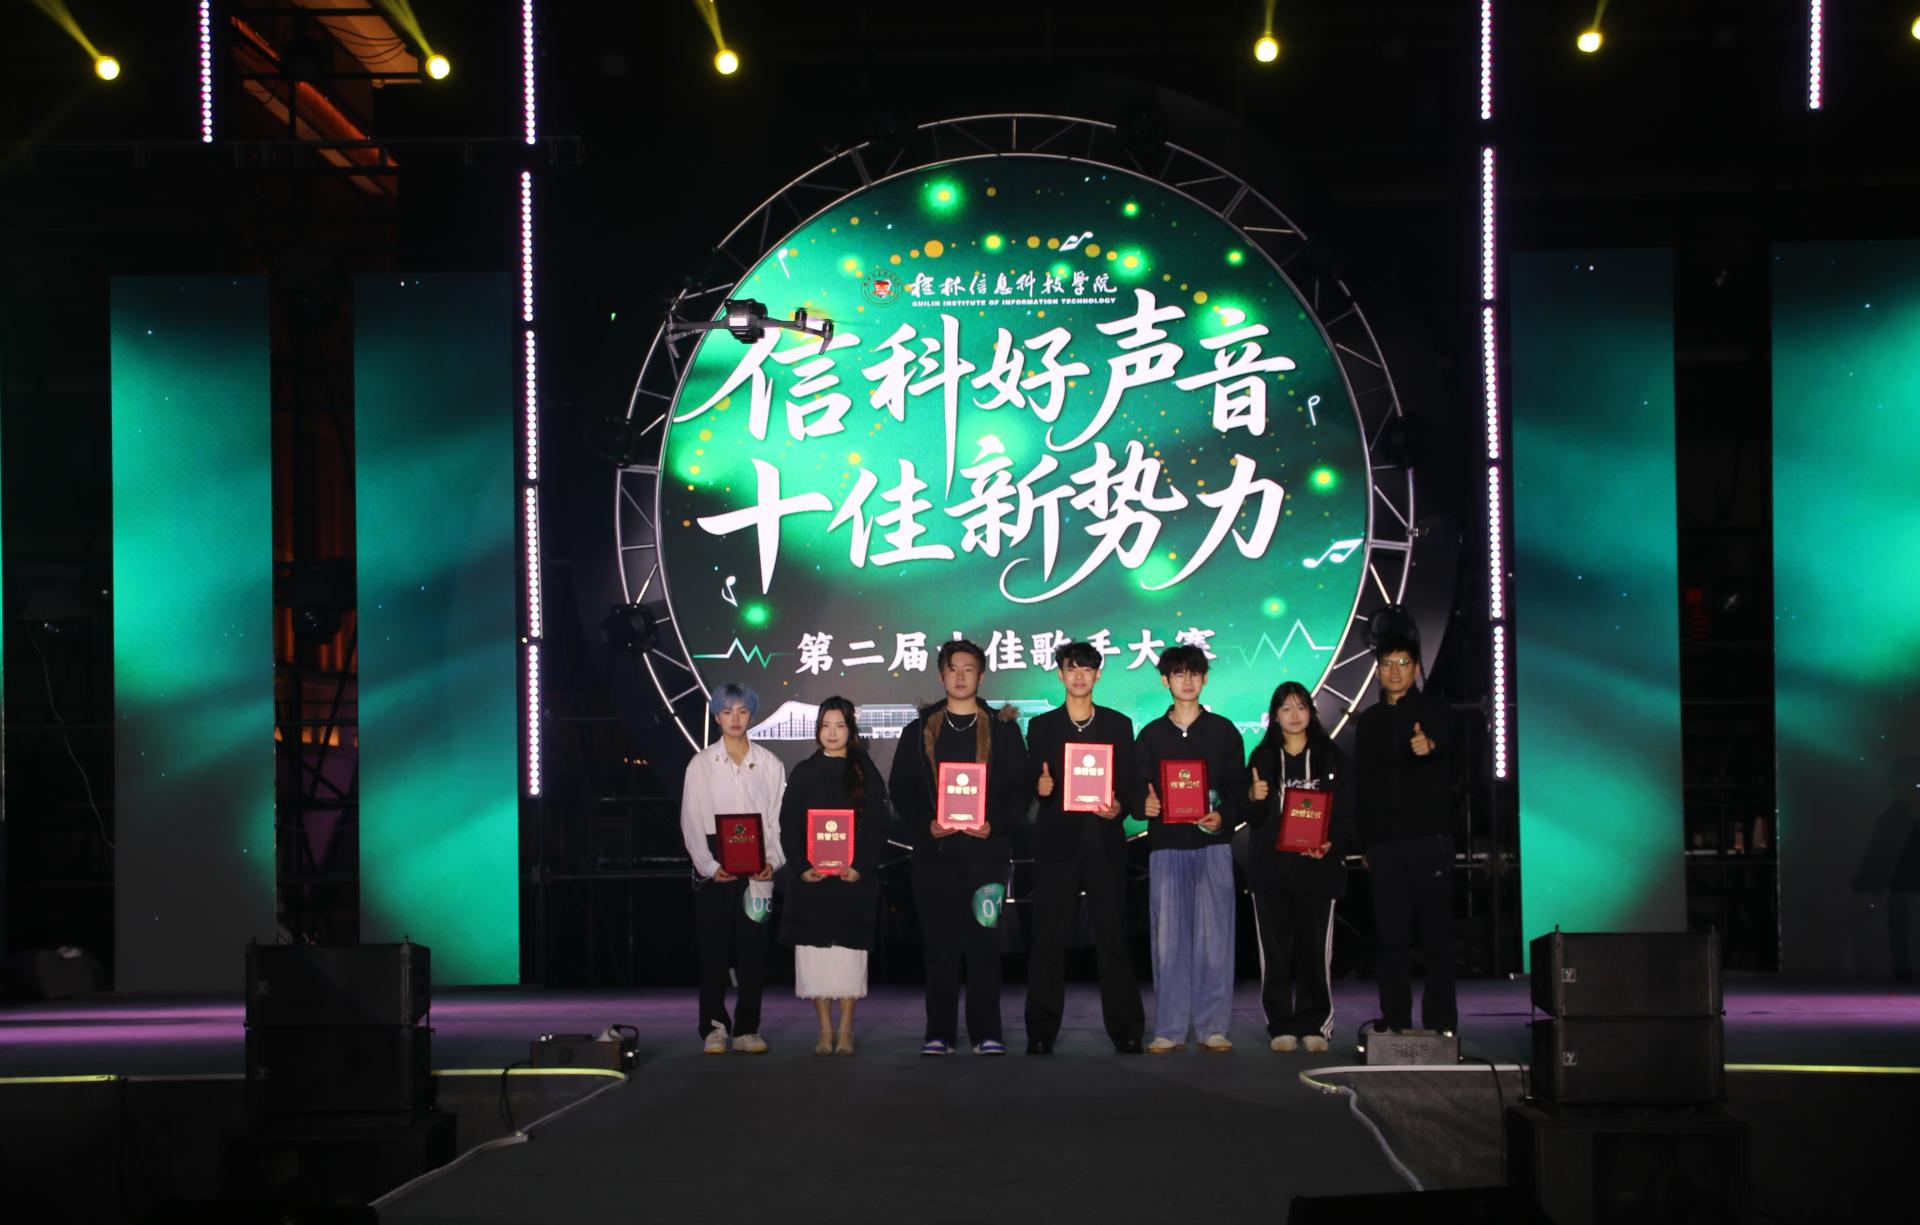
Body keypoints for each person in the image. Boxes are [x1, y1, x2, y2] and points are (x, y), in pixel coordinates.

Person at [888, 639, 1028, 1056]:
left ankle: (987, 1032)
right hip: (935, 858)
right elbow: (901, 788)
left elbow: (1020, 789)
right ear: (941, 675)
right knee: (940, 948)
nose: (961, 676)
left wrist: (995, 823)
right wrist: (925, 824)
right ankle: (940, 1033)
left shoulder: (1003, 728)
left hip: (986, 856)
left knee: (985, 946)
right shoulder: (919, 730)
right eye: (953, 668)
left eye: (969, 668)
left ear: (981, 675)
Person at [1022, 641, 1146, 1055]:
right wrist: (1040, 787)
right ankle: (1041, 1031)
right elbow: (1031, 780)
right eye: (1071, 669)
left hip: (1104, 844)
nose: (1079, 676)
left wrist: (1120, 806)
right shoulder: (1042, 727)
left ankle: (1126, 1030)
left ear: (1098, 674)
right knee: (1049, 940)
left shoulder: (1117, 724)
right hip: (1057, 845)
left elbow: (1129, 783)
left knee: (1114, 938)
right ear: (1060, 674)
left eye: (1087, 669)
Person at [1134, 644, 1247, 1053]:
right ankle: (1169, 1029)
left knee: (1216, 939)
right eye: (1179, 674)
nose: (1187, 680)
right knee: (1168, 942)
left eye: (1194, 673)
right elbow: (1137, 789)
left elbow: (1238, 789)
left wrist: (1225, 816)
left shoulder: (1224, 731)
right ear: (1165, 681)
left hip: (1212, 844)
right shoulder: (1151, 735)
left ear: (1205, 679)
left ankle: (1213, 1027)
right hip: (1166, 847)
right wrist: (1142, 806)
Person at [1351, 639, 1456, 1035]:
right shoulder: (1370, 720)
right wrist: (1365, 843)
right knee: (1391, 937)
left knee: (1436, 937)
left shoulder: (1436, 710)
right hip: (1384, 844)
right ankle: (1395, 1021)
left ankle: (1441, 1023)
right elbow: (1362, 785)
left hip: (1429, 839)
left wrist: (1431, 746)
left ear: (1416, 668)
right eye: (1387, 663)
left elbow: (1455, 755)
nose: (1394, 670)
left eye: (1403, 662)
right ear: (1377, 671)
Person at [777, 697, 889, 1055]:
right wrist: (800, 865)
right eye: (826, 725)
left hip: (851, 882)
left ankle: (846, 1029)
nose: (832, 733)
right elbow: (789, 825)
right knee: (816, 960)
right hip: (812, 884)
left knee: (847, 959)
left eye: (840, 725)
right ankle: (824, 1029)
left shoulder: (865, 773)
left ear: (850, 730)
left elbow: (877, 825)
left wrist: (861, 866)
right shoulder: (803, 772)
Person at [679, 683, 785, 1054]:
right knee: (713, 949)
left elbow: (777, 821)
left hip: (758, 866)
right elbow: (691, 820)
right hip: (715, 863)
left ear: (751, 715)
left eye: (742, 711)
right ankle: (713, 1027)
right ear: (717, 716)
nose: (735, 719)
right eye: (727, 711)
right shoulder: (700, 765)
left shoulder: (770, 764)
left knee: (754, 950)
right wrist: (709, 865)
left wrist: (773, 861)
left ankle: (747, 1029)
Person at [1244, 681, 1350, 1052]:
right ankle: (1280, 1025)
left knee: (1314, 953)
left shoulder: (1330, 757)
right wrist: (1253, 796)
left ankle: (1315, 1023)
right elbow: (1251, 814)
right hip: (1270, 871)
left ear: (1311, 712)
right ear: (1274, 716)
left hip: (1317, 869)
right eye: (1286, 708)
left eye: (1301, 707)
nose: (1294, 715)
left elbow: (1346, 810)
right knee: (1274, 955)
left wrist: (1332, 843)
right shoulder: (1262, 758)